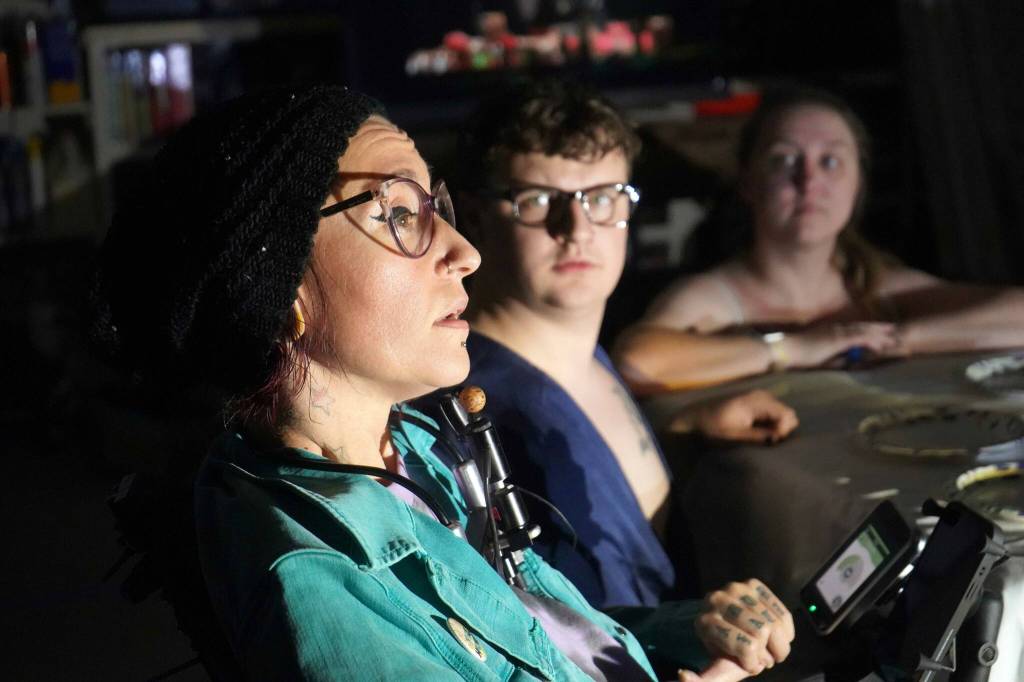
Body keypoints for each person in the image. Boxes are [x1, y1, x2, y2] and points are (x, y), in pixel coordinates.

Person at [92, 85, 793, 681]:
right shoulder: (317, 583)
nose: (464, 252)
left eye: (434, 207)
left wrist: (684, 628)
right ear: (279, 297)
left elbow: (530, 634)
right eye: (398, 214)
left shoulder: (414, 447)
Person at [433, 78, 797, 618]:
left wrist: (685, 427)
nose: (577, 228)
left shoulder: (573, 358)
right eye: (537, 200)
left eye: (602, 198)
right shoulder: (490, 414)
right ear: (477, 215)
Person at [614, 86, 1024, 394]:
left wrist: (903, 338)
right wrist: (793, 349)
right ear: (747, 182)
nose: (809, 180)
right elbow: (636, 361)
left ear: (858, 184)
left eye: (830, 161)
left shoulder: (879, 293)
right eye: (784, 159)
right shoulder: (714, 301)